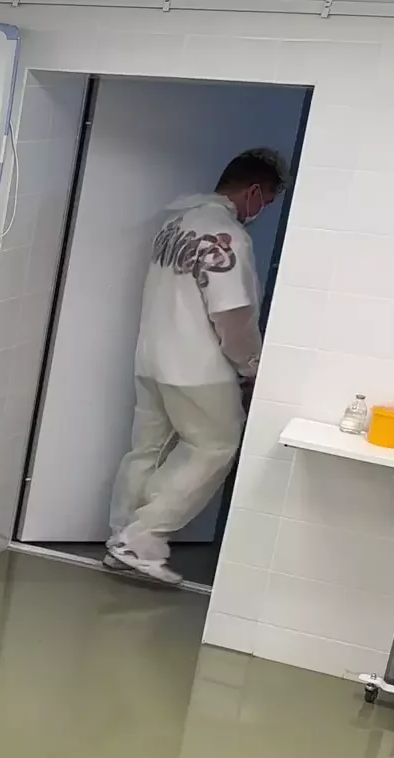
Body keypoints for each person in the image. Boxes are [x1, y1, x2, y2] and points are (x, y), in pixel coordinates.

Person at [106, 148, 287, 585]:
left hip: (151, 357)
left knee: (147, 449)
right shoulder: (228, 237)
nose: (262, 210)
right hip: (197, 366)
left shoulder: (175, 223)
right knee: (215, 445)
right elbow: (232, 314)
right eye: (266, 201)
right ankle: (142, 538)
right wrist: (252, 367)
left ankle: (122, 537)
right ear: (254, 191)